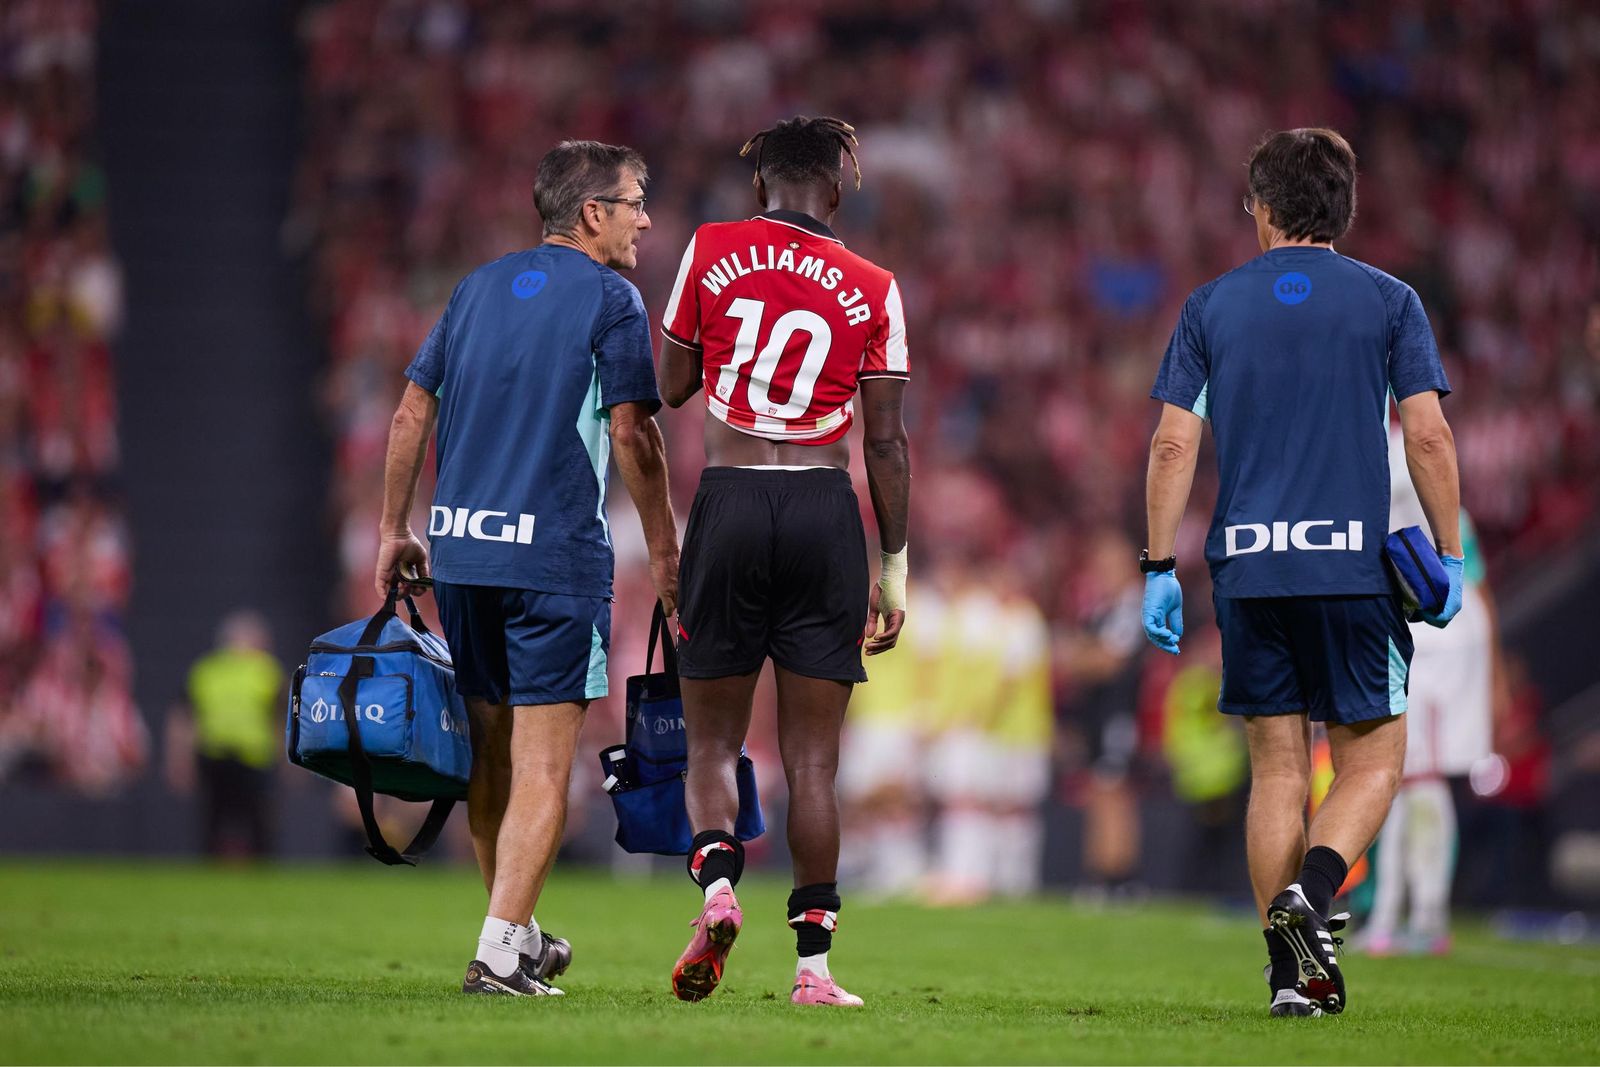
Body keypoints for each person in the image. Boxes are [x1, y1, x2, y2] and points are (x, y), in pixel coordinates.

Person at [1140, 128, 1463, 1017]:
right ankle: (1313, 897)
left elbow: (1174, 441)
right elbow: (1427, 433)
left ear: (1266, 207)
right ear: (1343, 208)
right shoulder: (1389, 300)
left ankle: (1291, 977)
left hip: (1247, 569)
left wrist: (1159, 564)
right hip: (1350, 565)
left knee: (1277, 771)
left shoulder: (1210, 306)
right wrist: (1450, 550)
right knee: (1373, 758)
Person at [375, 140, 679, 997]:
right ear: (593, 215)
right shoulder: (614, 298)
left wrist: (393, 530)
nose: (645, 218)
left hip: (462, 554)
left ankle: (515, 932)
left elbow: (408, 413)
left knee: (492, 761)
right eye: (634, 200)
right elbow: (633, 433)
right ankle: (500, 951)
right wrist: (663, 550)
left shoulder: (473, 289)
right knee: (545, 766)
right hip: (554, 561)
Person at [656, 116, 911, 1007]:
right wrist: (897, 567)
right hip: (823, 508)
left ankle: (720, 887)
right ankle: (814, 970)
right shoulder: (876, 284)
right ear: (836, 190)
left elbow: (675, 383)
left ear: (760, 184)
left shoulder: (711, 248)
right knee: (812, 762)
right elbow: (886, 442)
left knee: (714, 739)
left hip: (728, 501)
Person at [1363, 426, 1501, 955]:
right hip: (1442, 622)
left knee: (1412, 776)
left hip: (1429, 627)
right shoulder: (1432, 462)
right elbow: (1476, 572)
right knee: (1409, 776)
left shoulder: (1388, 447)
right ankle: (1407, 914)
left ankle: (1414, 917)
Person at [165, 610, 282, 856]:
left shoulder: (209, 669)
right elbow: (186, 717)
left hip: (246, 757)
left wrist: (178, 759)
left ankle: (246, 867)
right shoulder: (262, 670)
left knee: (244, 822)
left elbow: (183, 718)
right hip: (226, 756)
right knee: (218, 821)